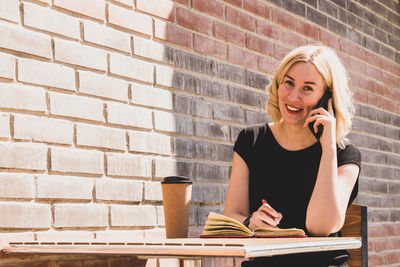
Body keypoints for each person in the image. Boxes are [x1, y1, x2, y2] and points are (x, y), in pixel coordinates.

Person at [224, 45, 361, 267]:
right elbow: (232, 216)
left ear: (326, 98)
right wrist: (250, 222)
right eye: (288, 83)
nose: (293, 96)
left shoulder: (344, 155)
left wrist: (327, 149)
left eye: (308, 88)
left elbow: (321, 227)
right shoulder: (251, 140)